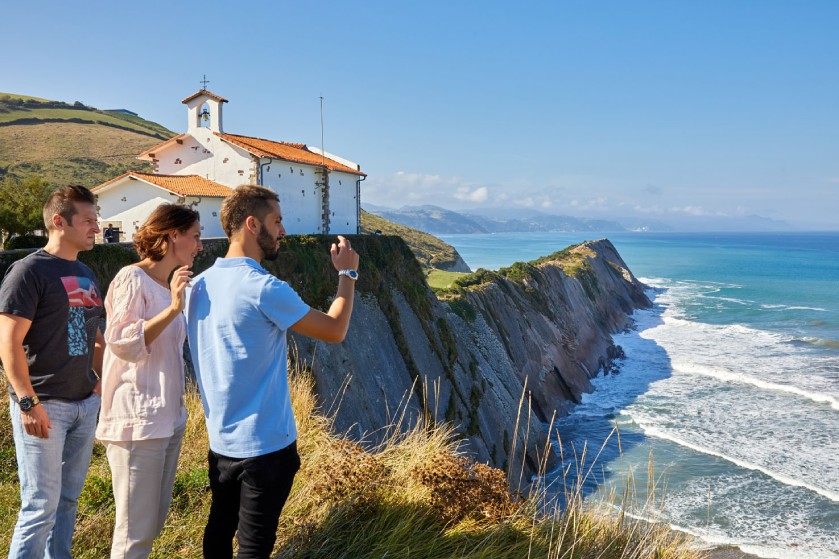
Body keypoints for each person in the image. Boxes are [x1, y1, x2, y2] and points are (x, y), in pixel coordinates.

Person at [186, 184, 359, 559]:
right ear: (252, 224)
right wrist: (348, 273)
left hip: (221, 442)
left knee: (218, 530)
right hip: (265, 446)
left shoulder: (196, 286)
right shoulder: (263, 287)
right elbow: (334, 329)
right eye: (277, 221)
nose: (283, 230)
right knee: (254, 546)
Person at [0, 185, 105, 559]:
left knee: (67, 500)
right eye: (88, 220)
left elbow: (92, 336)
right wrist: (28, 403)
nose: (97, 227)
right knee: (40, 506)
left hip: (83, 405)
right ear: (59, 222)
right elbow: (8, 342)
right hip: (45, 406)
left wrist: (99, 382)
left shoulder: (85, 272)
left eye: (95, 219)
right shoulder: (28, 272)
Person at [96, 204, 203, 559]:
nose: (200, 246)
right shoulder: (132, 278)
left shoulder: (166, 285)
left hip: (167, 418)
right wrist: (173, 308)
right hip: (136, 421)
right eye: (195, 236)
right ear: (173, 235)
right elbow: (122, 341)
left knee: (153, 523)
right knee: (134, 534)